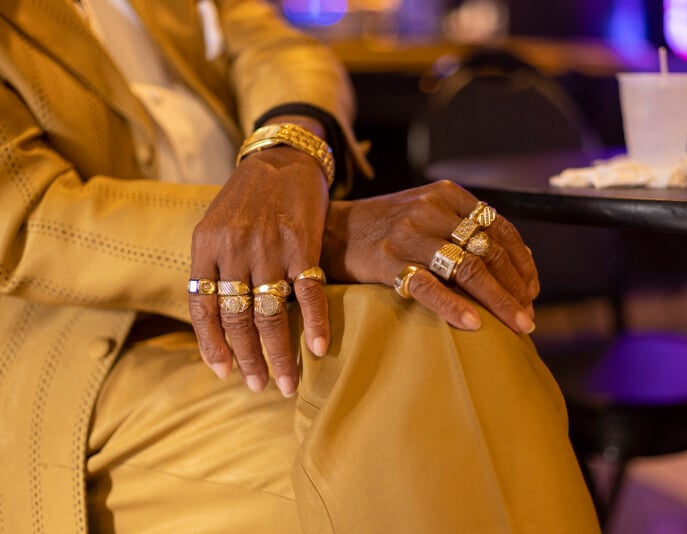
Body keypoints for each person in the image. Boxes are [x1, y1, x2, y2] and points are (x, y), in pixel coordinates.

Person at [0, 1, 600, 532]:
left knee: (461, 328)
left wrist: (286, 150)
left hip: (277, 304)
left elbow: (279, 45)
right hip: (85, 354)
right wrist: (319, 232)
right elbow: (24, 221)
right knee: (412, 463)